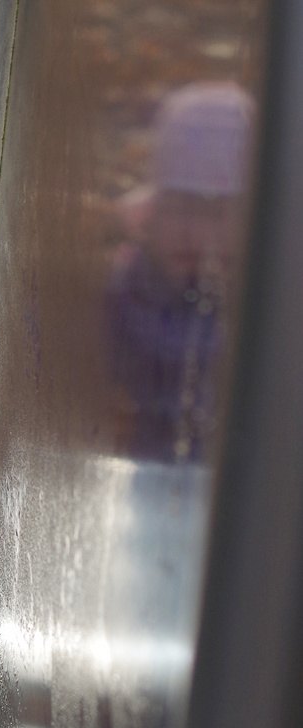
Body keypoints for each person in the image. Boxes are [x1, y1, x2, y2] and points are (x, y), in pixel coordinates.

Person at [106, 82, 255, 463]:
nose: (200, 235)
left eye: (220, 215)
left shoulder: (268, 305)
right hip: (146, 477)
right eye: (182, 209)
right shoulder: (128, 288)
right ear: (154, 214)